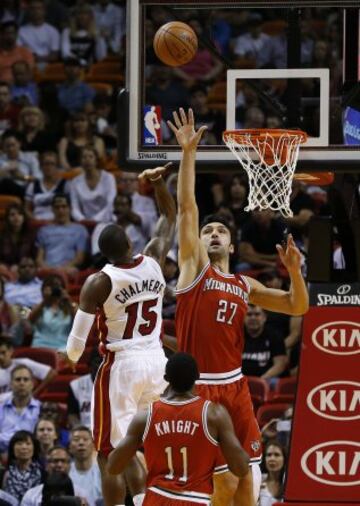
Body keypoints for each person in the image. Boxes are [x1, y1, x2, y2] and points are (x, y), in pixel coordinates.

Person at [167, 108, 309, 506]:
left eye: (221, 231)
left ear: (232, 245)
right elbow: (187, 210)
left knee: (247, 476)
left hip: (235, 384)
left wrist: (294, 271)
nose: (212, 233)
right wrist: (188, 153)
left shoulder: (244, 284)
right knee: (210, 485)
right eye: (207, 231)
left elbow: (297, 306)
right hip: (198, 389)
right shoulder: (193, 270)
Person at [66, 165, 176, 506]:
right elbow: (170, 217)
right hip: (158, 362)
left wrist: (74, 348)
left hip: (122, 366)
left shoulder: (98, 281)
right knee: (142, 445)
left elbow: (74, 350)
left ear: (104, 253)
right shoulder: (155, 259)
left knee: (109, 452)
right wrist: (157, 183)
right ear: (131, 241)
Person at [107, 352, 250, 506]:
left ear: (166, 379)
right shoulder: (214, 414)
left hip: (156, 499)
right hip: (195, 500)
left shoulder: (146, 416)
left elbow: (114, 467)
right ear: (197, 377)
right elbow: (241, 468)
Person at [21, 446, 90, 506]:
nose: (59, 465)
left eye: (63, 461)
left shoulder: (82, 494)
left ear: (69, 465)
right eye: (55, 461)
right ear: (46, 465)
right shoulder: (31, 495)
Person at [36, 194, 89, 272]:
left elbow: (79, 258)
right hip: (47, 270)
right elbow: (39, 259)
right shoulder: (44, 230)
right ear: (52, 209)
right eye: (57, 207)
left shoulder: (80, 230)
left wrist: (62, 270)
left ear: (70, 208)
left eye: (64, 207)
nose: (60, 210)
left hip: (69, 269)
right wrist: (48, 269)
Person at [0, 364, 41, 453]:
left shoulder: (40, 409)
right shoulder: (1, 408)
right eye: (18, 379)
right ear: (11, 384)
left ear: (32, 384)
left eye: (26, 379)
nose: (22, 383)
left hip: (31, 455)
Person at [242, 305, 288, 380]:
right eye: (249, 314)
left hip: (268, 380)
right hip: (242, 381)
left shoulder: (275, 336)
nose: (253, 318)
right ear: (243, 318)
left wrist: (260, 381)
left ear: (264, 318)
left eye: (257, 314)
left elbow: (280, 364)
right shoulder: (236, 336)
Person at [3, 430, 44, 502]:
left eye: (28, 444)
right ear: (12, 448)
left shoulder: (43, 474)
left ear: (34, 448)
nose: (24, 447)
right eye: (19, 443)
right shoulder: (4, 473)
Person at [68, 426, 102, 506]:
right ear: (69, 447)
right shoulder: (65, 472)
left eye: (85, 439)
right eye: (76, 440)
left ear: (93, 446)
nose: (81, 443)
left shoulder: (102, 472)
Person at [259, 441, 287, 506]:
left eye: (277, 455)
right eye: (269, 455)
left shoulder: (289, 482)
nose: (272, 458)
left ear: (284, 458)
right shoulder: (258, 480)